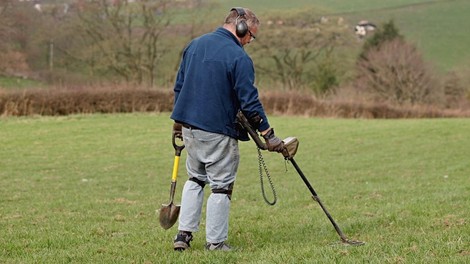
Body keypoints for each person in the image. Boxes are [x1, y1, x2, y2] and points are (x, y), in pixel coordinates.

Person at [170, 7, 284, 251]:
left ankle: (183, 236)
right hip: (218, 131)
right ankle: (216, 242)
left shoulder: (194, 45)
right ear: (241, 27)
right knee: (221, 186)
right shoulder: (238, 57)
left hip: (189, 127)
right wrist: (268, 133)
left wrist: (178, 123)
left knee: (195, 179)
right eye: (251, 35)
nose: (250, 41)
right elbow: (249, 101)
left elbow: (179, 87)